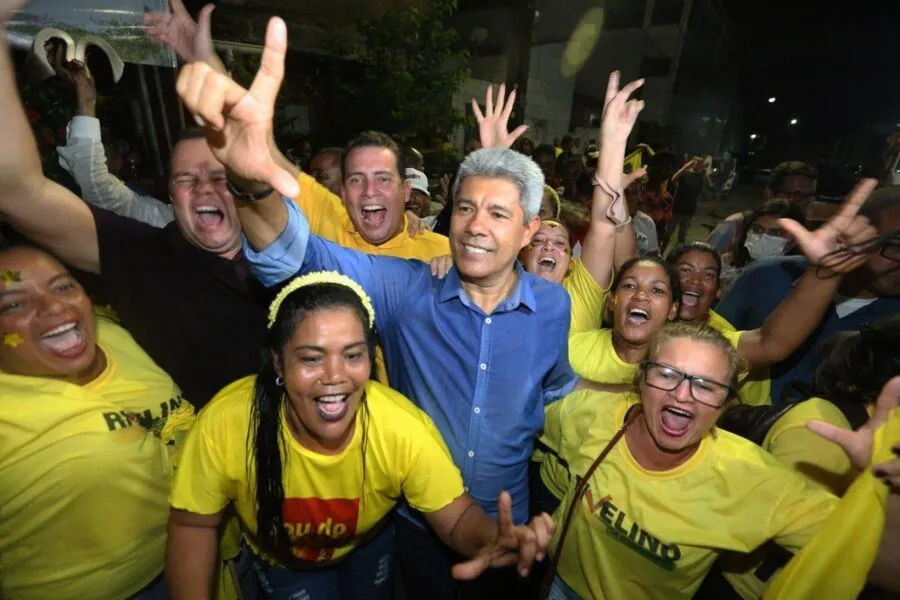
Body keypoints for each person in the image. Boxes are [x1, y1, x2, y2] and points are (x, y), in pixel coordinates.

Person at [176, 30, 577, 597]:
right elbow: (303, 256)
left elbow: (559, 391)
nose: (475, 225)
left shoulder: (554, 306)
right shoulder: (406, 288)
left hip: (510, 526)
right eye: (464, 207)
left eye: (496, 213)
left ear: (530, 229)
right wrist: (248, 182)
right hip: (415, 524)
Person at [166, 272, 554, 599]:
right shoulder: (228, 423)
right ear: (278, 364)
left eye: (353, 355)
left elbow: (456, 519)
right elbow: (193, 525)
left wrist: (491, 538)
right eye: (311, 358)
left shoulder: (399, 426)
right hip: (285, 563)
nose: (335, 376)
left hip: (367, 549)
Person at [541, 323, 838, 600]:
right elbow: (514, 429)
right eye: (667, 374)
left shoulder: (747, 476)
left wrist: (882, 484)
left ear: (726, 403)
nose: (683, 395)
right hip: (557, 584)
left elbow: (863, 546)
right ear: (640, 380)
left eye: (706, 386)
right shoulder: (592, 415)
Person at [0, 243, 194, 600]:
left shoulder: (115, 332)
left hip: (201, 555)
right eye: (14, 304)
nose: (55, 306)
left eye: (62, 286)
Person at [716, 186, 900, 403]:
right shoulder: (766, 276)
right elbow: (716, 346)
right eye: (896, 247)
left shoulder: (894, 326)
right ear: (857, 234)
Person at [706, 161, 817, 255]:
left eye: (808, 196)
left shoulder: (809, 238)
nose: (802, 202)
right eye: (794, 195)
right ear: (769, 193)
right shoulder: (735, 226)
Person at [719, 199, 806, 291]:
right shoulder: (725, 265)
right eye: (757, 229)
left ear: (795, 240)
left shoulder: (798, 282)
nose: (764, 237)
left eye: (775, 233)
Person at [667, 156, 712, 247]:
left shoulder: (701, 177)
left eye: (700, 163)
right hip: (676, 209)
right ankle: (660, 254)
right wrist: (686, 167)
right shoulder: (685, 173)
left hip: (689, 212)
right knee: (667, 234)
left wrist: (704, 171)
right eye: (696, 162)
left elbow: (710, 186)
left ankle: (676, 255)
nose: (697, 165)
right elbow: (673, 179)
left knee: (682, 238)